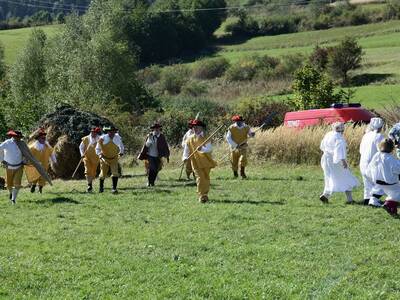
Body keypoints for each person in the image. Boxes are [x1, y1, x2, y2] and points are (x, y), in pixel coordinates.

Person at [319, 122, 359, 204]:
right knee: (346, 177)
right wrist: (343, 161)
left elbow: (322, 146)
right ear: (342, 129)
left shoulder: (329, 134)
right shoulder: (339, 138)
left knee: (330, 177)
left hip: (326, 159)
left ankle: (326, 195)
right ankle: (349, 199)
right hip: (336, 160)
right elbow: (339, 151)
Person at [183, 119, 217, 203]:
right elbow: (186, 150)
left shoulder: (206, 137)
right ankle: (201, 195)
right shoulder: (189, 139)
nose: (195, 129)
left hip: (206, 161)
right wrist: (185, 157)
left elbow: (209, 149)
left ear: (201, 128)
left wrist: (202, 148)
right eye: (194, 127)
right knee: (200, 178)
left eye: (197, 127)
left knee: (206, 178)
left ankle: (205, 194)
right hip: (195, 161)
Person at [367, 139, 400, 216]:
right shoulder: (391, 158)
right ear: (392, 148)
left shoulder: (376, 155)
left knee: (383, 191)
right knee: (397, 194)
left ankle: (375, 201)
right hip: (390, 182)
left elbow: (370, 168)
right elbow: (397, 169)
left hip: (378, 181)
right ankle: (388, 204)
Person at [359, 118, 385, 207]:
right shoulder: (380, 136)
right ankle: (374, 199)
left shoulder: (366, 135)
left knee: (367, 181)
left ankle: (367, 198)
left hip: (363, 160)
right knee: (380, 181)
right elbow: (382, 150)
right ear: (381, 126)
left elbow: (361, 149)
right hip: (373, 161)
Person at [25, 129, 57, 193]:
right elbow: (27, 155)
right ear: (38, 138)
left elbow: (52, 153)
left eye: (44, 138)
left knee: (43, 177)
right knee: (35, 176)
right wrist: (26, 161)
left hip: (44, 164)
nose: (43, 139)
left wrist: (54, 160)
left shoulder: (47, 146)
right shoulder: (33, 147)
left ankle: (40, 189)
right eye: (42, 138)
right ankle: (33, 185)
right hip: (35, 165)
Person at [95, 126, 124, 194]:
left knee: (115, 173)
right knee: (103, 174)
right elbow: (97, 149)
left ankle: (114, 188)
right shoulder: (102, 138)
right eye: (110, 131)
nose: (112, 133)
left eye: (113, 131)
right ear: (108, 132)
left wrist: (121, 152)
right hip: (104, 159)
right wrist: (100, 155)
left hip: (114, 158)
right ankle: (101, 188)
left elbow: (121, 146)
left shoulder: (118, 138)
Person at [0, 130, 25, 204]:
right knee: (9, 185)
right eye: (18, 137)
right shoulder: (7, 143)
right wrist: (2, 160)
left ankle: (13, 200)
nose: (19, 138)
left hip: (19, 167)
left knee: (17, 184)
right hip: (9, 167)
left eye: (20, 137)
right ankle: (11, 193)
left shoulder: (22, 143)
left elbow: (26, 152)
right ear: (13, 136)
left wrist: (24, 160)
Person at [79, 127, 102, 192]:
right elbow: (81, 147)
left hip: (95, 158)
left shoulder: (100, 138)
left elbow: (102, 147)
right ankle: (89, 185)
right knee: (87, 170)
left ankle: (90, 184)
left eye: (94, 132)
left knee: (93, 172)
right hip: (87, 157)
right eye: (92, 132)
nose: (93, 133)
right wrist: (82, 154)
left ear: (96, 133)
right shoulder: (86, 138)